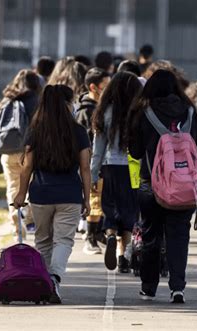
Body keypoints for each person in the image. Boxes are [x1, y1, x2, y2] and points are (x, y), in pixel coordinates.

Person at [128, 69, 197, 303]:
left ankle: (149, 287)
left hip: (151, 184)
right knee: (179, 237)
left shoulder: (143, 112)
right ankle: (177, 287)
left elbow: (136, 151)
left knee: (151, 236)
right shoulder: (190, 112)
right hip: (185, 185)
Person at [13, 85, 91, 304]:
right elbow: (85, 167)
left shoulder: (35, 130)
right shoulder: (78, 131)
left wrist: (20, 194)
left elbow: (27, 166)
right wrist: (87, 198)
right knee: (63, 240)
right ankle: (54, 278)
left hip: (41, 194)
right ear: (68, 105)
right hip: (70, 194)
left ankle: (44, 282)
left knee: (43, 240)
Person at [91, 71, 142, 273]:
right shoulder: (139, 111)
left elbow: (98, 148)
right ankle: (123, 256)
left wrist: (93, 174)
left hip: (110, 165)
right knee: (129, 210)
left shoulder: (105, 111)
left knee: (110, 207)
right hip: (133, 167)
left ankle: (110, 234)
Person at [0, 70, 42, 240]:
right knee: (31, 184)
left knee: (12, 187)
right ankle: (26, 212)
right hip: (29, 151)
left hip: (7, 152)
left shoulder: (6, 101)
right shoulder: (36, 101)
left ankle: (16, 224)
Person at [75, 68, 111, 254]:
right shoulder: (86, 112)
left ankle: (98, 233)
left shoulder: (101, 108)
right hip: (91, 164)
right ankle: (90, 238)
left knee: (101, 201)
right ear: (93, 87)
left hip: (103, 162)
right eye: (105, 86)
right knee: (94, 201)